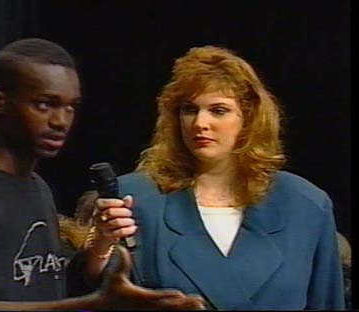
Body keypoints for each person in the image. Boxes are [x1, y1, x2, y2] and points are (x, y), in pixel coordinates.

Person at [0, 38, 205, 310]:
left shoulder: (37, 187)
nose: (60, 121)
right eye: (45, 104)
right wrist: (96, 305)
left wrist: (99, 247)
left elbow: (46, 283)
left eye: (71, 107)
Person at [88, 45, 345, 310]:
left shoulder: (305, 205)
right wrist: (100, 245)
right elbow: (87, 296)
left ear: (249, 118)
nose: (200, 123)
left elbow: (327, 302)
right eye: (189, 109)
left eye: (218, 110)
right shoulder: (136, 198)